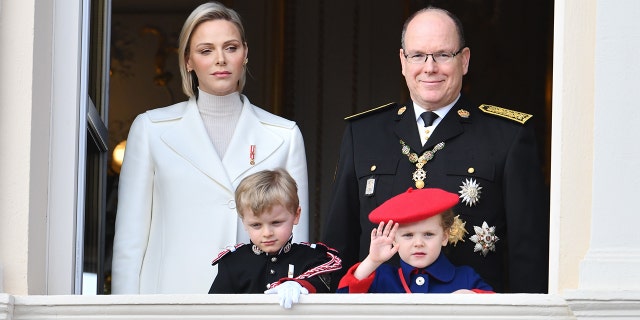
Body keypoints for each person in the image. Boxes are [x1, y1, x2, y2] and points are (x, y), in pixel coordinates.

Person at [323, 6, 548, 293]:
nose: (430, 67)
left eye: (443, 55)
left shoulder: (508, 136)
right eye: (418, 55)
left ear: (464, 61)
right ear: (403, 61)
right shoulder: (363, 134)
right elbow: (337, 244)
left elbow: (527, 252)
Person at [111, 2, 309, 294]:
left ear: (245, 54)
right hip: (170, 302)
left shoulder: (285, 135)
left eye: (230, 48)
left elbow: (297, 240)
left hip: (253, 304)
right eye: (206, 50)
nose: (220, 59)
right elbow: (130, 240)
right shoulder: (151, 129)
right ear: (188, 60)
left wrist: (294, 291)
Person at [209, 169, 341, 308]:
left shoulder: (313, 258)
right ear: (244, 223)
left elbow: (328, 291)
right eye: (256, 225)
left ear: (296, 215)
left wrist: (299, 284)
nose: (267, 233)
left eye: (276, 223)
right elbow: (214, 310)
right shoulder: (233, 263)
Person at [337, 188, 493, 294]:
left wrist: (471, 297)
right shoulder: (381, 277)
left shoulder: (465, 277)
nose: (418, 243)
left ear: (445, 237)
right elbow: (342, 300)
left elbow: (496, 310)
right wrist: (372, 260)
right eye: (408, 235)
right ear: (394, 238)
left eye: (428, 234)